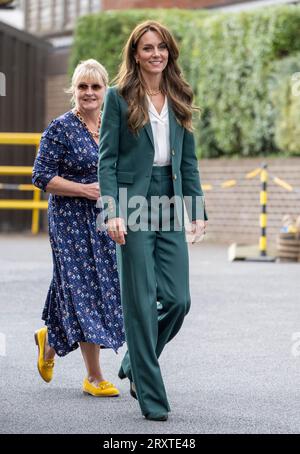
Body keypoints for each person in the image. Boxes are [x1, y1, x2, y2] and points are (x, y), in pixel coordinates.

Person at [98, 21, 208, 420]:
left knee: (178, 300)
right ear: (136, 54)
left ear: (169, 52)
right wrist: (111, 212)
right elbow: (106, 160)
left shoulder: (179, 94)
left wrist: (196, 210)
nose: (155, 53)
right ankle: (152, 397)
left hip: (169, 200)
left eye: (161, 47)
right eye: (147, 48)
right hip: (131, 202)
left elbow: (189, 161)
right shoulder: (118, 97)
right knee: (141, 305)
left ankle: (132, 366)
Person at [32, 59, 125, 397]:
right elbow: (41, 176)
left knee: (79, 285)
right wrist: (84, 189)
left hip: (104, 219)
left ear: (105, 91)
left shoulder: (110, 126)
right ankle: (94, 376)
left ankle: (49, 342)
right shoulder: (60, 127)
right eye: (82, 87)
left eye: (95, 87)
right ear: (74, 89)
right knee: (87, 288)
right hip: (69, 221)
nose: (88, 93)